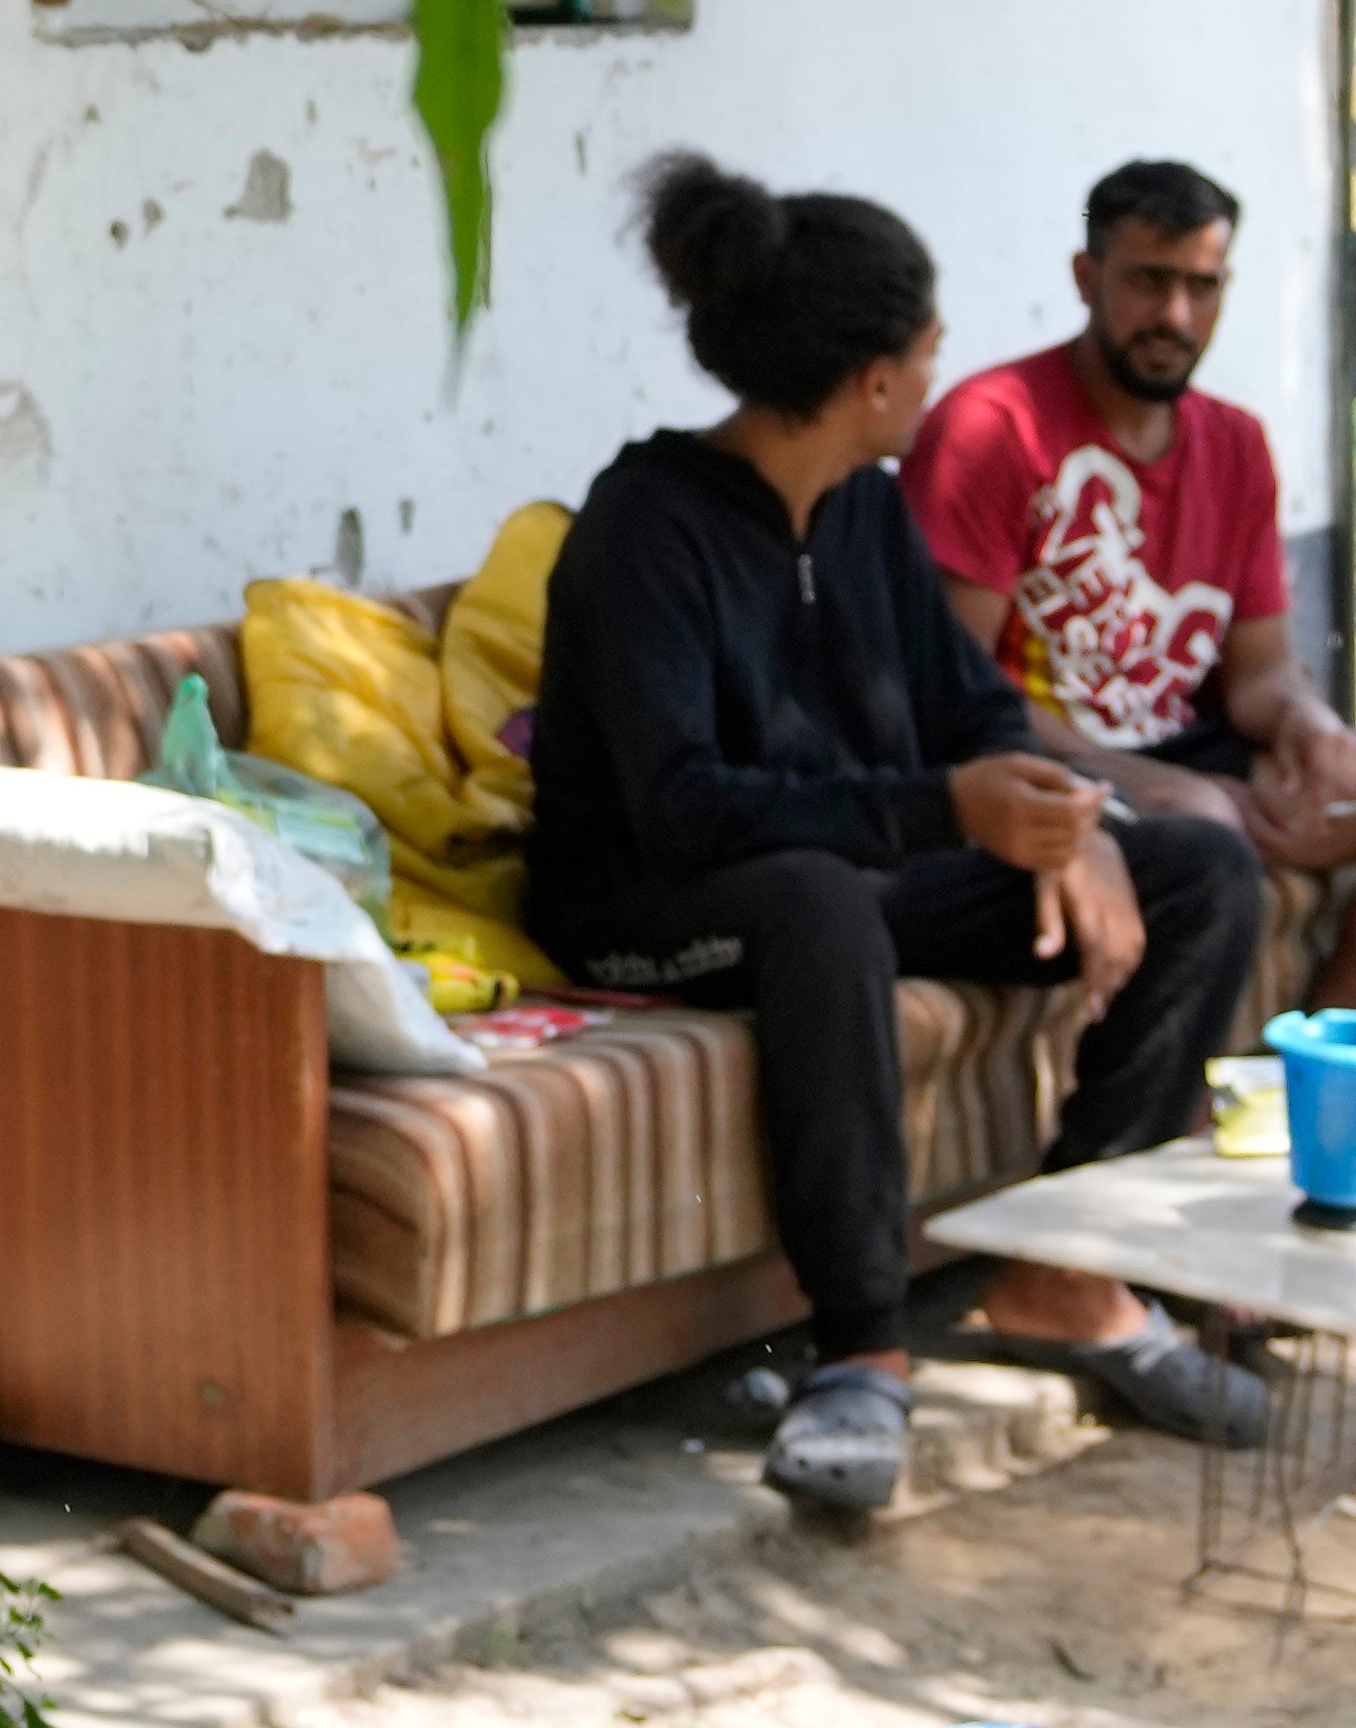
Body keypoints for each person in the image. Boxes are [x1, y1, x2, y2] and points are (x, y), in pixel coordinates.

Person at [528, 154, 1276, 1515]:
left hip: (843, 883)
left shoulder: (865, 509)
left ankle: (1068, 1267)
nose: (939, 376)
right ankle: (859, 1350)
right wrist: (947, 810)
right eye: (927, 354)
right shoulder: (646, 527)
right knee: (815, 897)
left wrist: (1070, 824)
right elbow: (682, 808)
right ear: (874, 380)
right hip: (647, 907)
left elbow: (970, 704)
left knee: (1204, 870)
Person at [911, 156, 1356, 1015]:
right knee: (1206, 826)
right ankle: (1187, 1102)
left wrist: (1311, 725)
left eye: (1203, 287)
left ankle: (1307, 1061)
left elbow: (1259, 672)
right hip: (1044, 764)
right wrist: (1136, 777)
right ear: (1086, 279)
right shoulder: (993, 425)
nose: (1176, 315)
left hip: (1195, 752)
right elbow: (951, 691)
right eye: (1149, 282)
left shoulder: (1235, 443)